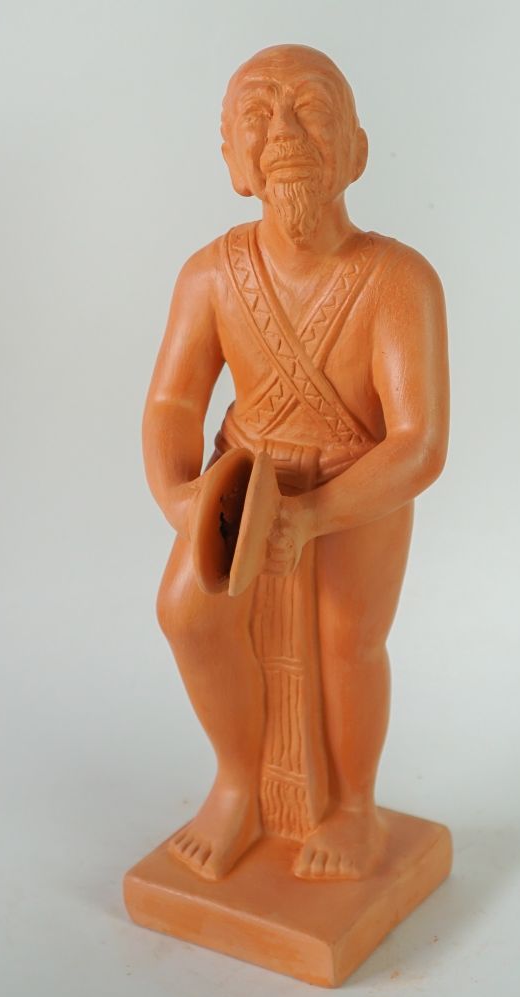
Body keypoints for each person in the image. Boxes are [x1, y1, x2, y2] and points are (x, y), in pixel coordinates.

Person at [143, 44, 449, 881]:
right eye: (257, 115)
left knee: (347, 640)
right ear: (232, 161)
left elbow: (418, 443)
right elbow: (173, 404)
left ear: (356, 149)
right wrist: (181, 498)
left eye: (310, 109)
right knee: (188, 612)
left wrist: (315, 515)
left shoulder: (398, 280)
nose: (282, 132)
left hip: (356, 487)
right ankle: (237, 786)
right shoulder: (209, 276)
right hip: (241, 486)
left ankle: (354, 810)